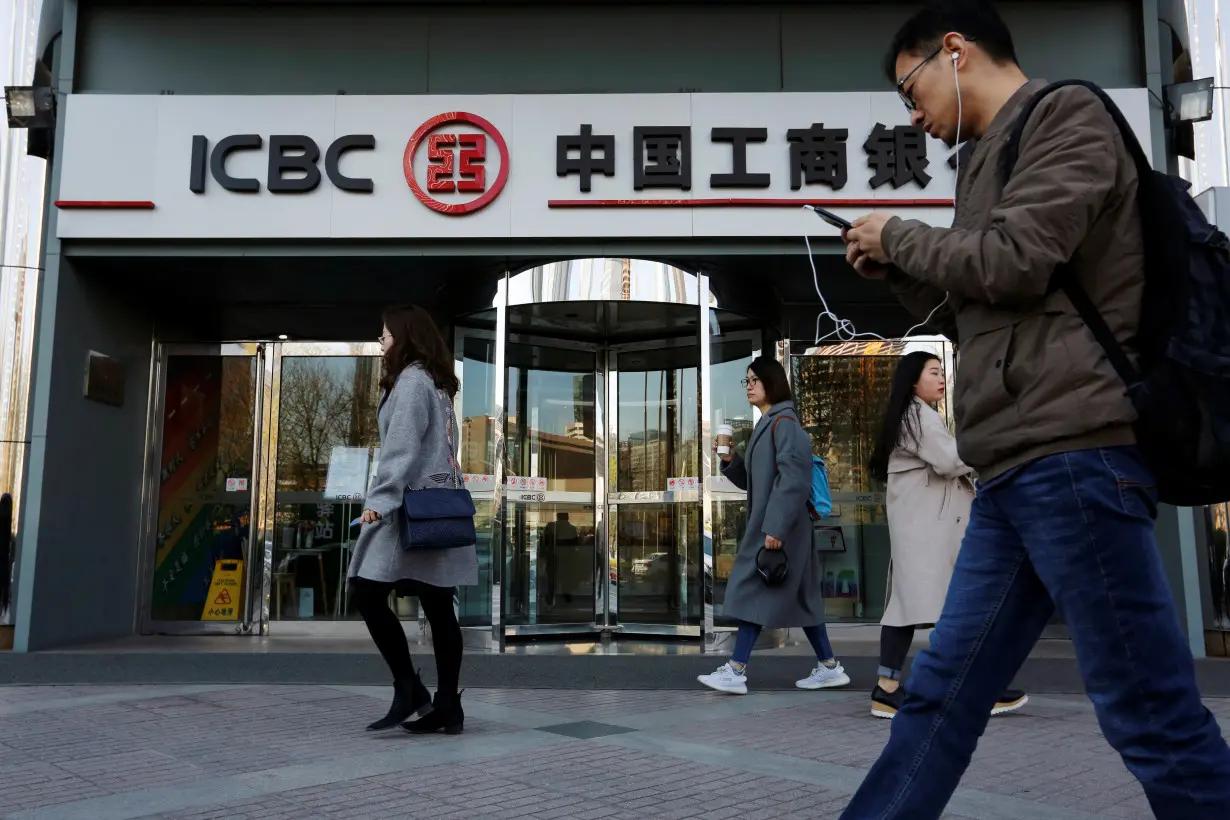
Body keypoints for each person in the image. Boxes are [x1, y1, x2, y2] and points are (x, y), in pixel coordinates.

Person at [840, 2, 1230, 816]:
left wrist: (900, 236)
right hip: (1017, 467)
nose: (913, 116)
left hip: (1076, 455)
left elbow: (1016, 261)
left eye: (910, 90)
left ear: (955, 51)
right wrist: (897, 268)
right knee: (938, 697)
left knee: (1148, 712)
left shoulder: (1069, 115)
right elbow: (983, 301)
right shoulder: (986, 159)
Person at [867, 351, 1026, 719]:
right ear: (912, 380)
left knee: (907, 607)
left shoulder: (914, 414)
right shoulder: (918, 415)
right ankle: (980, 687)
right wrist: (993, 446)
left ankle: (887, 688)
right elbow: (951, 460)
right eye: (934, 372)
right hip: (927, 529)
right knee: (956, 606)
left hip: (923, 526)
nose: (941, 379)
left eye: (942, 373)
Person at [350, 304, 478, 736]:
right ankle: (446, 705)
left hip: (408, 508)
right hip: (437, 508)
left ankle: (410, 690)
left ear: (404, 337)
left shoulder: (411, 383)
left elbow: (401, 449)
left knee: (365, 592)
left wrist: (379, 502)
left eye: (385, 335)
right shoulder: (439, 386)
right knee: (440, 607)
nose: (381, 342)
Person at [697, 356, 849, 694]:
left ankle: (735, 670)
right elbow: (758, 481)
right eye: (746, 380)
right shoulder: (769, 424)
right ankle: (829, 666)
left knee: (751, 588)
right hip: (782, 527)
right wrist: (730, 461)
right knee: (806, 599)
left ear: (772, 383)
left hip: (780, 528)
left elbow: (793, 481)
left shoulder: (785, 425)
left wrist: (775, 529)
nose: (749, 386)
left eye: (755, 379)